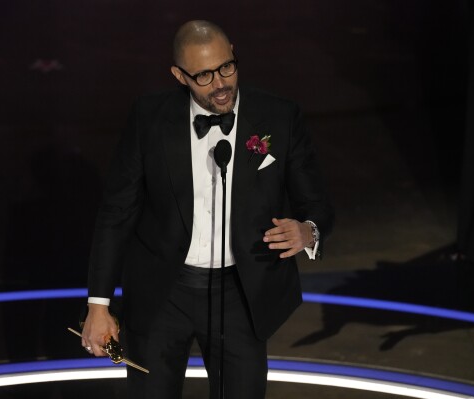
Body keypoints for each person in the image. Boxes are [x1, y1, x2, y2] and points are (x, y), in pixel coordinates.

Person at [81, 20, 333, 399]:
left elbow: (317, 204)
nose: (220, 84)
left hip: (241, 294)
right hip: (163, 295)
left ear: (233, 50)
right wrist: (98, 306)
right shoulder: (149, 119)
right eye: (203, 76)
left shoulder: (279, 117)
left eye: (226, 67)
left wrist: (308, 230)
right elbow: (117, 212)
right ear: (179, 75)